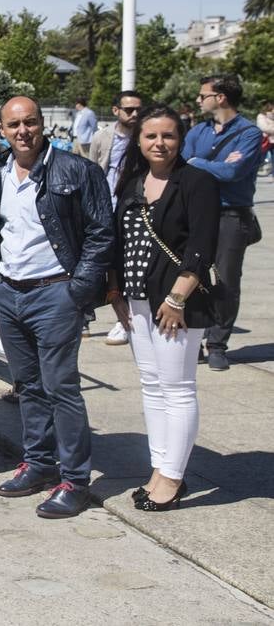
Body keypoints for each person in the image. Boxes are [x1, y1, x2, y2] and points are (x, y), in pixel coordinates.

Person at [0, 96, 113, 519]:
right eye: (13, 124)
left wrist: (78, 290)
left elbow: (101, 233)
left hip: (55, 293)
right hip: (10, 294)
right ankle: (39, 463)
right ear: (1, 129)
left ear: (43, 125)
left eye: (30, 122)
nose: (22, 131)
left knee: (61, 388)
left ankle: (75, 480)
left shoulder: (78, 170)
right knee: (28, 385)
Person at [107, 104, 220, 511]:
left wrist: (177, 298)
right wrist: (116, 293)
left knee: (178, 388)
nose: (160, 143)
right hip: (137, 300)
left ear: (181, 139)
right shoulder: (132, 183)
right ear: (139, 140)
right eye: (151, 135)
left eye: (168, 135)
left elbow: (202, 245)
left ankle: (173, 477)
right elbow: (119, 242)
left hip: (176, 303)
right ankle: (160, 468)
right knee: (152, 387)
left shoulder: (197, 182)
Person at [182, 74, 263, 372]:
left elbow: (233, 173)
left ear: (221, 98)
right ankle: (195, 339)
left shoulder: (249, 133)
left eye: (203, 95)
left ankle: (217, 344)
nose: (198, 100)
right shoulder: (197, 131)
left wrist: (198, 164)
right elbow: (182, 163)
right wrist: (209, 166)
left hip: (232, 214)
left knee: (226, 281)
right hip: (198, 212)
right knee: (193, 275)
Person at [89, 91, 145, 347]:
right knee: (102, 261)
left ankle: (125, 317)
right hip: (105, 207)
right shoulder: (102, 136)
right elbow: (93, 168)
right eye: (129, 110)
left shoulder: (145, 136)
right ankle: (86, 314)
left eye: (138, 110)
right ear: (116, 111)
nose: (134, 114)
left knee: (128, 263)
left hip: (134, 208)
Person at [257, 101, 274, 180]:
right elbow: (263, 128)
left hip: (273, 140)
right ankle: (252, 171)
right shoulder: (262, 116)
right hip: (265, 141)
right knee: (260, 158)